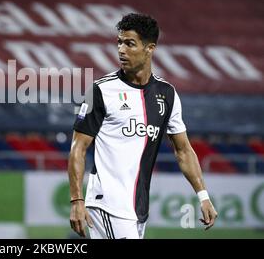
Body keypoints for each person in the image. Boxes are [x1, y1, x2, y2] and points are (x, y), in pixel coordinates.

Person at [68, 13, 217, 239]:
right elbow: (78, 148)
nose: (121, 50)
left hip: (138, 208)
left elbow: (183, 150)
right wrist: (77, 200)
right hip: (107, 203)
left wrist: (203, 196)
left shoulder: (167, 95)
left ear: (150, 48)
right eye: (119, 42)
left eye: (130, 43)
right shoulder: (99, 91)